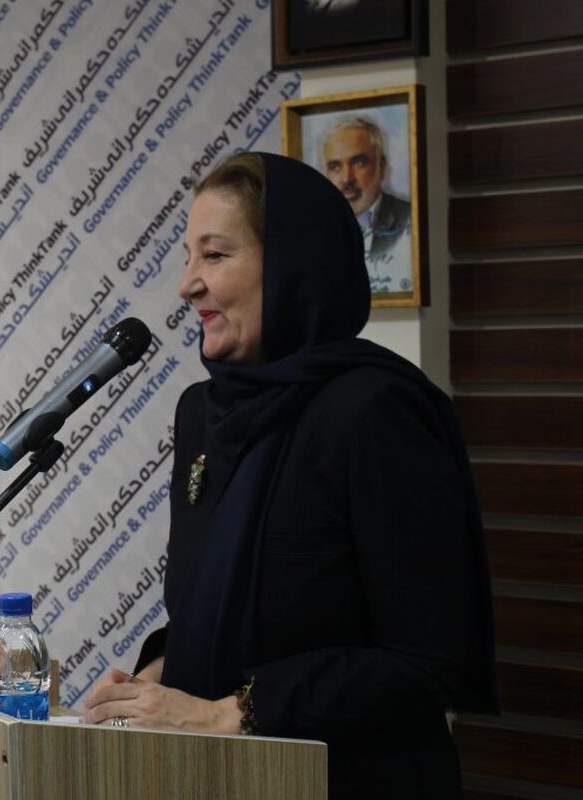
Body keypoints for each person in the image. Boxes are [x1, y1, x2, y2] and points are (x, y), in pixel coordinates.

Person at [82, 152, 497, 798]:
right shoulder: (202, 414)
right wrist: (156, 678)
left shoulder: (375, 413)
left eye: (215, 256)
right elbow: (211, 610)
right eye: (188, 257)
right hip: (219, 782)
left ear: (293, 266)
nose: (187, 284)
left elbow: (425, 662)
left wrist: (231, 713)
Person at [322, 115, 411, 261]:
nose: (347, 178)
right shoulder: (315, 226)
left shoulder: (409, 217)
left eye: (359, 162)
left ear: (381, 167)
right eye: (335, 166)